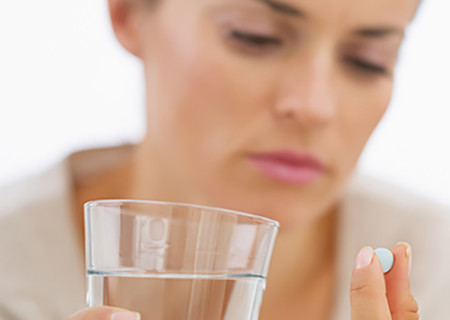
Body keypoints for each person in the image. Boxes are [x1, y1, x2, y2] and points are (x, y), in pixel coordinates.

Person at [0, 0, 449, 319]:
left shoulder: (436, 273)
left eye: (369, 60)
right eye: (256, 36)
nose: (314, 105)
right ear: (128, 12)